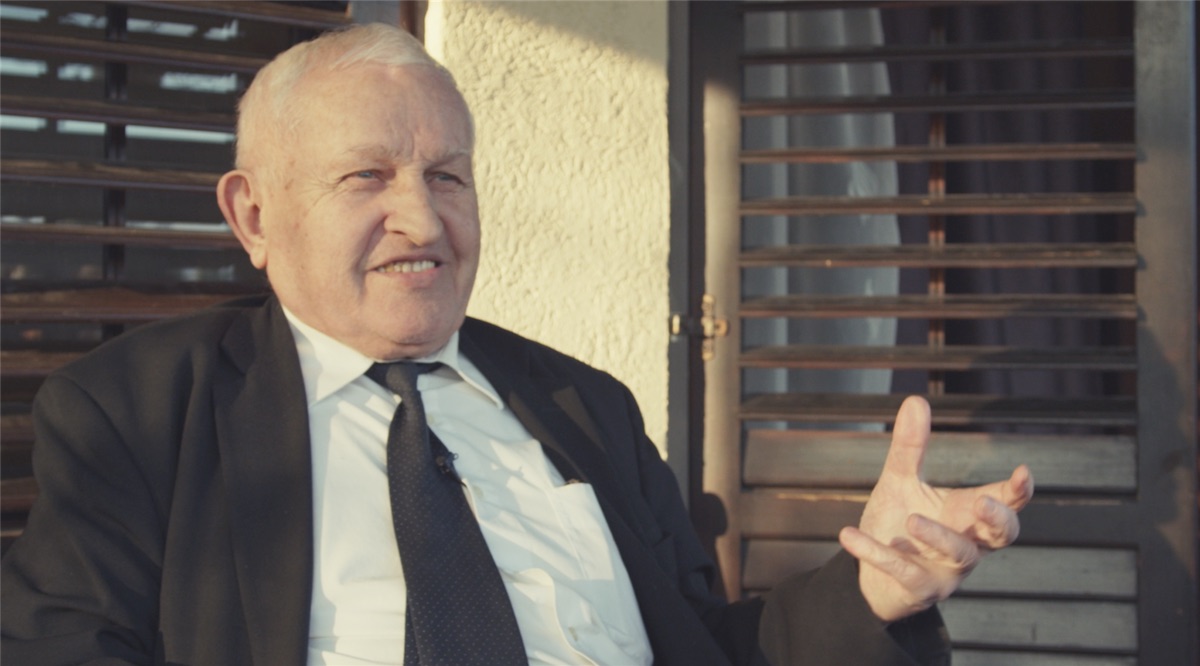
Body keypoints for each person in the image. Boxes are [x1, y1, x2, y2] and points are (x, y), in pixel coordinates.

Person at [0, 23, 1032, 666]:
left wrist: (873, 593)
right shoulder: (138, 414)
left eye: (447, 176)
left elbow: (707, 646)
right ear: (254, 215)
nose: (423, 219)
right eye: (367, 177)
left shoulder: (583, 405)